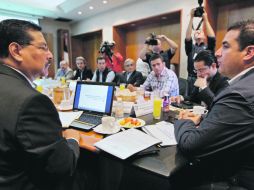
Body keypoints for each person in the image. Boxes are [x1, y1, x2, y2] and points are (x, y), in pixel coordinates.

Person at [173, 20, 254, 190]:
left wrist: (183, 121)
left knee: (176, 177)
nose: (217, 53)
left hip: (236, 179)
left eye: (225, 46)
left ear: (249, 52)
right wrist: (202, 117)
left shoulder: (238, 93)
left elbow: (191, 145)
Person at [0, 19, 81, 190]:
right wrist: (73, 138)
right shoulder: (31, 102)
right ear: (16, 51)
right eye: (43, 47)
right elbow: (62, 167)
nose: (50, 55)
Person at [185, 9, 216, 95]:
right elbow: (187, 38)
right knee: (189, 101)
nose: (198, 32)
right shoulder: (191, 48)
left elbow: (212, 38)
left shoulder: (207, 48)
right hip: (191, 78)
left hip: (203, 78)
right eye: (196, 31)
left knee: (201, 102)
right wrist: (191, 17)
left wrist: (205, 19)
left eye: (201, 31)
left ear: (204, 36)